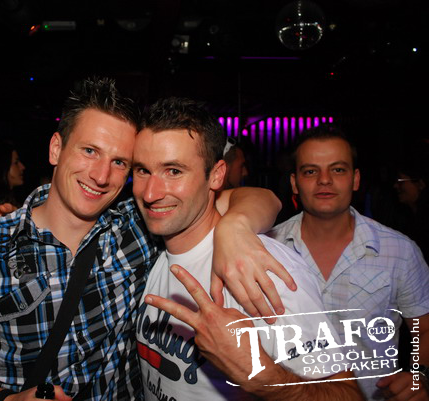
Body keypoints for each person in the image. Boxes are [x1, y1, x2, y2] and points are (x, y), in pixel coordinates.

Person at [0, 77, 290, 401]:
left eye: (120, 162)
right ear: (56, 148)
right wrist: (2, 399)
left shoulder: (139, 226)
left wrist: (236, 227)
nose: (100, 175)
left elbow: (260, 198)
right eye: (90, 151)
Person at [135, 98, 362, 400]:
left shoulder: (263, 270)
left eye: (174, 171)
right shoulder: (152, 247)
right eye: (142, 170)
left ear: (217, 175)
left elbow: (348, 393)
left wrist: (262, 378)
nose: (150, 193)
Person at [263, 126, 429, 400]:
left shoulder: (400, 251)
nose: (324, 180)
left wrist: (418, 374)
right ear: (294, 183)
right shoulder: (268, 249)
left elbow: (422, 329)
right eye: (311, 171)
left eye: (338, 170)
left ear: (355, 179)